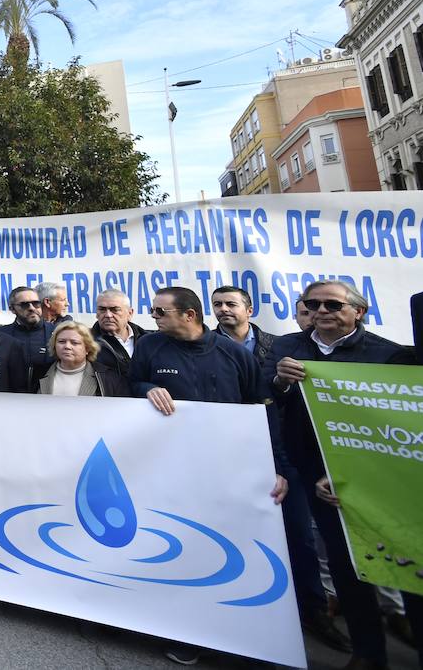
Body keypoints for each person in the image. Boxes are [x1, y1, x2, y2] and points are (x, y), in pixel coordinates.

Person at [129, 285, 288, 666]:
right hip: (169, 466)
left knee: (229, 548)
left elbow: (261, 411)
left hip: (228, 468)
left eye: (160, 312)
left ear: (189, 315)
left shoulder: (233, 354)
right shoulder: (150, 347)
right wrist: (148, 388)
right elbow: (132, 384)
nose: (154, 317)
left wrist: (276, 466)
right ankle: (189, 630)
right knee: (180, 544)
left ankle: (244, 631)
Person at [270, 280, 421, 668]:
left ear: (359, 312)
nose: (321, 311)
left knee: (406, 566)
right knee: (346, 569)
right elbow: (273, 405)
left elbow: (394, 429)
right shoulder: (286, 349)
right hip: (319, 482)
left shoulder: (391, 357)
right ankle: (369, 654)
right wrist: (280, 382)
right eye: (312, 304)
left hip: (380, 484)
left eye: (333, 305)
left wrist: (356, 474)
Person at [209, 283, 345, 651]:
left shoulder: (279, 345)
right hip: (228, 452)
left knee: (298, 534)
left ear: (249, 309)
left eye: (231, 304)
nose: (224, 310)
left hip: (285, 449)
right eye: (217, 304)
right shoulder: (207, 345)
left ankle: (312, 610)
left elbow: (273, 396)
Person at [36, 321, 125, 396]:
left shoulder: (108, 378)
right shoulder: (38, 373)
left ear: (87, 348)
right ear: (54, 345)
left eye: (74, 343)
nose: (67, 346)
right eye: (61, 341)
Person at [0, 285, 54, 390]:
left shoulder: (56, 333)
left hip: (46, 399)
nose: (32, 308)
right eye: (24, 305)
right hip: (9, 400)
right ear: (12, 309)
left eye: (36, 303)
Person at [90, 289, 144, 380]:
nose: (108, 315)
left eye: (115, 310)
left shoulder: (146, 340)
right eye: (102, 309)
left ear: (130, 313)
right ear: (96, 313)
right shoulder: (87, 343)